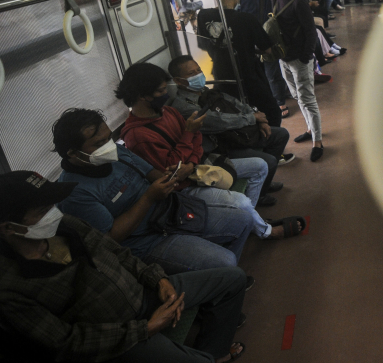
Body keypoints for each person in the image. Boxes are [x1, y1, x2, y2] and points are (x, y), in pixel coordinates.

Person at [0, 171, 247, 363]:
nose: (54, 214)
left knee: (233, 279)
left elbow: (117, 252)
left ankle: (215, 351)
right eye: (43, 211)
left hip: (143, 293)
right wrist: (145, 330)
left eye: (53, 206)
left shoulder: (67, 225)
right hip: (118, 336)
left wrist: (158, 280)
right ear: (9, 228)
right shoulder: (10, 287)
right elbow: (65, 341)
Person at [116, 63, 305, 241]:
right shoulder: (138, 135)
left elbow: (197, 140)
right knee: (242, 203)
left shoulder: (168, 113)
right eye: (160, 91)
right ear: (143, 96)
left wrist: (190, 162)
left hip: (197, 167)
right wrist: (188, 138)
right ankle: (264, 231)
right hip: (183, 188)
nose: (165, 94)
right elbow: (170, 168)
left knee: (260, 166)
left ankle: (248, 222)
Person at [52, 109, 255, 274]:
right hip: (146, 241)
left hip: (170, 212)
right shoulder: (74, 193)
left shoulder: (117, 152)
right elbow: (111, 239)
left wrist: (169, 178)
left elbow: (151, 173)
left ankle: (220, 280)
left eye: (108, 139)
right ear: (73, 153)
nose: (108, 147)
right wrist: (149, 198)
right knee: (226, 261)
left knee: (244, 220)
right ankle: (221, 285)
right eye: (98, 144)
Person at [167, 55, 295, 206]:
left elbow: (234, 102)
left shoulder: (204, 91)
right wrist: (252, 119)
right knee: (269, 161)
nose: (198, 75)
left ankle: (264, 182)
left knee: (280, 134)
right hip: (222, 147)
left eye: (199, 70)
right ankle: (259, 195)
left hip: (237, 135)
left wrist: (258, 118)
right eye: (191, 74)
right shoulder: (184, 107)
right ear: (178, 81)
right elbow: (218, 121)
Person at [254, 0, 325, 162]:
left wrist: (305, 57)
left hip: (299, 60)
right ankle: (311, 129)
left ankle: (318, 141)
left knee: (307, 99)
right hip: (283, 59)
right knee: (297, 96)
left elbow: (311, 32)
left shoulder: (298, 2)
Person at [196, 0, 282, 127]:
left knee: (233, 111)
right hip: (247, 75)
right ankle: (270, 145)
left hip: (220, 75)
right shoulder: (246, 19)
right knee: (272, 113)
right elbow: (267, 49)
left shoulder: (203, 16)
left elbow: (203, 45)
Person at [241, 0, 292, 120]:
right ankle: (272, 96)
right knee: (260, 72)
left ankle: (279, 101)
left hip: (266, 36)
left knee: (272, 71)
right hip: (249, 37)